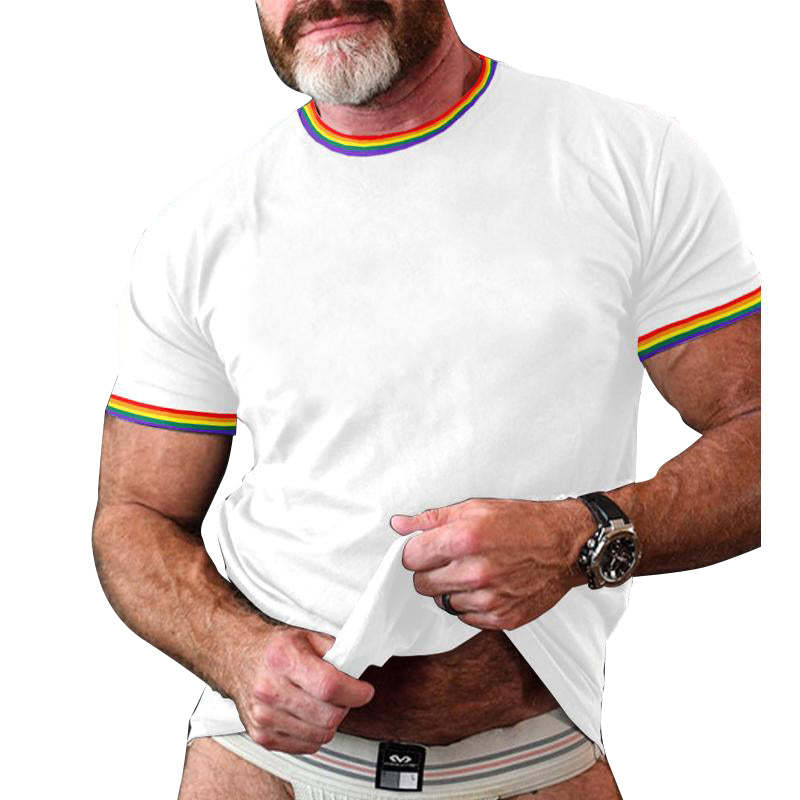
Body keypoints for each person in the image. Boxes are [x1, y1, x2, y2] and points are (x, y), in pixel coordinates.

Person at [92, 1, 761, 798]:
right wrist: (231, 648)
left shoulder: (627, 157)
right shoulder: (199, 228)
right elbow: (133, 514)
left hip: (537, 762)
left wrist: (582, 535)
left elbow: (764, 432)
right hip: (260, 769)